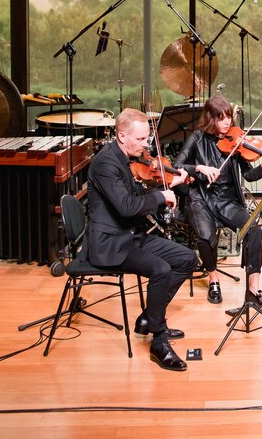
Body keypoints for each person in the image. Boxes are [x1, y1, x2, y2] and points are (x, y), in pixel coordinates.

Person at [85, 107, 197, 371]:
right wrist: (160, 197)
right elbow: (126, 207)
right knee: (160, 269)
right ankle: (158, 342)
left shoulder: (124, 158)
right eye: (140, 139)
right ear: (122, 137)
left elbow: (137, 197)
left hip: (130, 235)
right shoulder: (105, 163)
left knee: (187, 258)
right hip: (110, 243)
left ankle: (149, 317)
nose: (146, 144)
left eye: (147, 138)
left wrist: (169, 186)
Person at [173, 96, 262, 310]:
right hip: (200, 198)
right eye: (222, 118)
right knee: (205, 237)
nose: (227, 123)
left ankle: (254, 289)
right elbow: (178, 164)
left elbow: (249, 176)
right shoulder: (197, 137)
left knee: (254, 231)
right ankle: (213, 279)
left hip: (226, 199)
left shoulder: (236, 140)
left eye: (229, 118)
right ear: (211, 119)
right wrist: (200, 169)